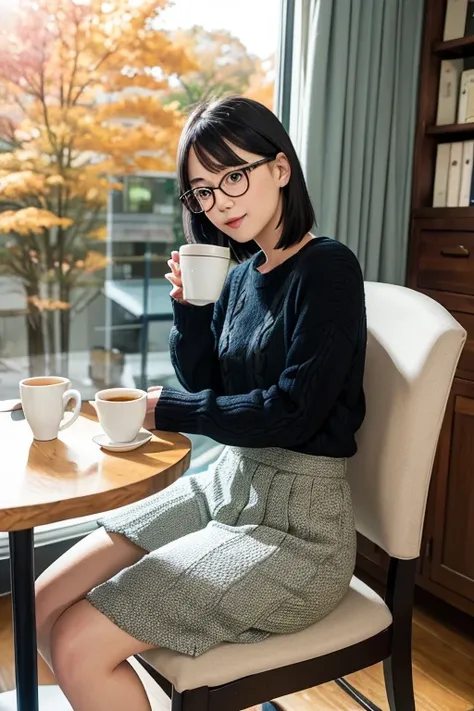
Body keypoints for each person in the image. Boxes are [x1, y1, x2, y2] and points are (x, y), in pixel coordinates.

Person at [35, 96, 367, 711]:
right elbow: (204, 375)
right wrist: (190, 310)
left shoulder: (329, 269)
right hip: (226, 485)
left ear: (280, 168)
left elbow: (292, 410)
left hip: (299, 533)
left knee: (79, 641)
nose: (221, 202)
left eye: (233, 176)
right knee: (45, 599)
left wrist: (174, 410)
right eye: (203, 193)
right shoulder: (241, 275)